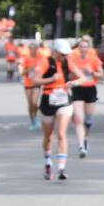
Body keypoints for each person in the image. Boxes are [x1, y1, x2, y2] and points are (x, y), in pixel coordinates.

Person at [34, 39, 76, 180]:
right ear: (56, 52)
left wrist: (73, 82)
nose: (65, 57)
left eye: (66, 54)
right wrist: (51, 79)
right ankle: (47, 162)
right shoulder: (45, 62)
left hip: (63, 99)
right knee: (48, 136)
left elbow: (82, 76)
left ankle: (61, 168)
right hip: (48, 99)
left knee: (62, 133)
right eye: (63, 54)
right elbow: (35, 80)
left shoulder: (67, 62)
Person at [67, 36, 104, 158]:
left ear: (88, 48)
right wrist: (74, 74)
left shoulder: (94, 59)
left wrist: (92, 72)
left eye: (85, 47)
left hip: (90, 89)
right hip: (77, 89)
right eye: (81, 47)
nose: (83, 49)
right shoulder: (73, 58)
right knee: (78, 118)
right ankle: (81, 146)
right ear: (78, 48)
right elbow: (69, 72)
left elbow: (102, 75)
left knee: (88, 120)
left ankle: (85, 138)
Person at [21, 42, 41, 129]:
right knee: (30, 104)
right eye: (31, 49)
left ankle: (36, 116)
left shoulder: (40, 58)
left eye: (35, 49)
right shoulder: (26, 58)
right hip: (28, 83)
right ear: (29, 50)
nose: (33, 51)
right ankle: (32, 121)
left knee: (34, 102)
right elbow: (22, 72)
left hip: (36, 83)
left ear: (37, 49)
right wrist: (30, 69)